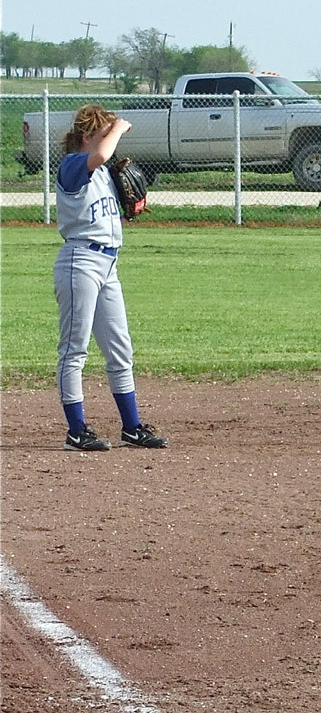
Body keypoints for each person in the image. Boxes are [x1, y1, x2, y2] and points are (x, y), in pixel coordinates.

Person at [54, 105, 167, 452]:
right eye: (104, 132)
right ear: (88, 136)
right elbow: (102, 152)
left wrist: (132, 206)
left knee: (121, 350)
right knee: (75, 350)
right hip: (80, 261)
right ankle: (77, 432)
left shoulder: (101, 171)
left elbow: (111, 183)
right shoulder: (73, 163)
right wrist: (118, 126)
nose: (111, 140)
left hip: (108, 263)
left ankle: (132, 427)